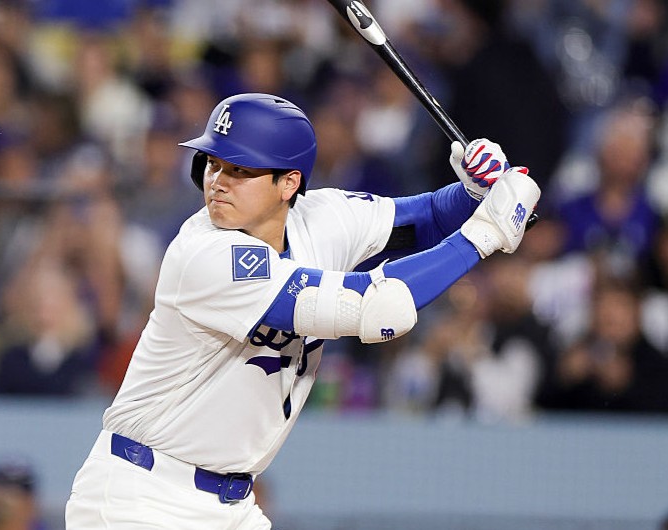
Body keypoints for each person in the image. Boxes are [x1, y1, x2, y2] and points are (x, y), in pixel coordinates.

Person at [65, 92, 540, 529]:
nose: (218, 182)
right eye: (213, 163)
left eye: (240, 170)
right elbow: (381, 308)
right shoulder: (204, 254)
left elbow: (427, 217)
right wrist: (486, 234)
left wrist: (472, 192)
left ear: (288, 183)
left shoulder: (322, 217)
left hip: (231, 505)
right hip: (141, 496)